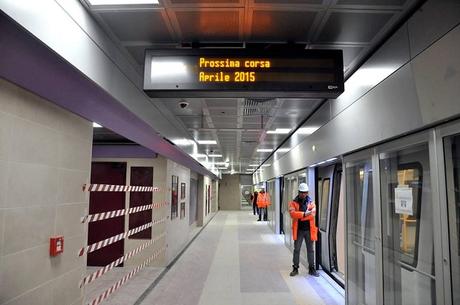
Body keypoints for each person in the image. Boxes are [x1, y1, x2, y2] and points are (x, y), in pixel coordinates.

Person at [289, 183, 319, 277]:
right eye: (302, 192)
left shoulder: (311, 202)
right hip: (298, 230)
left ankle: (311, 268)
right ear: (299, 192)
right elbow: (292, 214)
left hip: (309, 230)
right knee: (296, 249)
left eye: (305, 192)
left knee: (310, 250)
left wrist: (301, 216)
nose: (304, 194)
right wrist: (305, 214)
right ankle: (295, 268)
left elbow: (313, 214)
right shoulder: (293, 202)